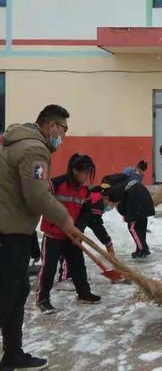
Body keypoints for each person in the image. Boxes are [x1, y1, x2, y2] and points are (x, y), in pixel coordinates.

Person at [0, 105, 78, 370]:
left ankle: (12, 353)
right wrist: (66, 220)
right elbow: (37, 197)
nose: (63, 136)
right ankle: (12, 355)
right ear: (51, 126)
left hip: (10, 230)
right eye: (63, 130)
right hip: (8, 237)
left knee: (10, 294)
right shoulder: (34, 149)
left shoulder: (13, 141)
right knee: (11, 295)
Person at [36, 154, 101, 314]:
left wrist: (78, 229)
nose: (86, 176)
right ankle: (42, 299)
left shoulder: (85, 192)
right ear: (74, 170)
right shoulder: (56, 184)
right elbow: (41, 199)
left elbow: (86, 213)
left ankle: (84, 293)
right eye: (85, 172)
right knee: (49, 267)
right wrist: (56, 220)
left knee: (78, 265)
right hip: (53, 234)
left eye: (88, 173)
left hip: (71, 234)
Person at [101, 174, 155, 258]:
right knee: (141, 224)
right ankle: (142, 248)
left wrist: (126, 214)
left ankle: (142, 250)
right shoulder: (124, 181)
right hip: (143, 193)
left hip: (135, 196)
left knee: (132, 227)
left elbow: (120, 202)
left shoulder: (115, 189)